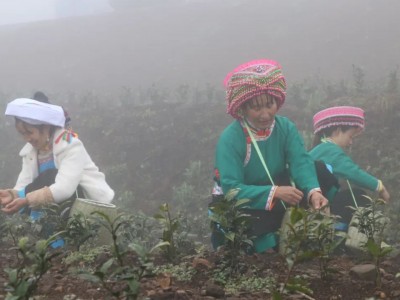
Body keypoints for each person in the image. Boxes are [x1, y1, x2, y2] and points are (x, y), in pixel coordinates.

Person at [210, 59, 329, 253]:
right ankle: (267, 246)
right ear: (242, 108)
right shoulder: (231, 139)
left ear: (277, 101)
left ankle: (315, 227)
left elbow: (300, 161)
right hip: (244, 200)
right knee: (249, 228)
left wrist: (313, 191)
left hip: (276, 185)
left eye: (270, 105)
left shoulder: (285, 127)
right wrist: (274, 193)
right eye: (256, 108)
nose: (265, 114)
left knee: (322, 172)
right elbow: (231, 189)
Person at [0, 97, 114, 227]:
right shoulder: (30, 153)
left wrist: (26, 199)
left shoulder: (70, 145)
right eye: (22, 133)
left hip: (87, 211)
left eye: (29, 132)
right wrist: (12, 195)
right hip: (51, 211)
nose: (27, 138)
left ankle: (64, 239)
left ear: (46, 127)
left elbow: (64, 189)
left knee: (51, 176)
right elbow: (25, 184)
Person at [309, 106, 390, 228]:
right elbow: (353, 172)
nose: (351, 142)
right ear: (337, 131)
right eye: (350, 136)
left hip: (315, 201)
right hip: (317, 203)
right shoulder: (330, 150)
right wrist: (379, 186)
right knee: (360, 197)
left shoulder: (318, 149)